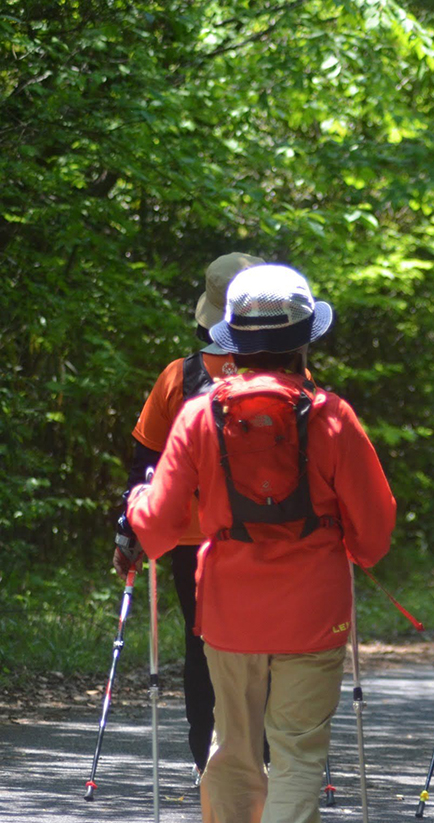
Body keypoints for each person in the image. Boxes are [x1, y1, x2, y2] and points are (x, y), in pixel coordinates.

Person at [127, 264, 396, 823]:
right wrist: (348, 546)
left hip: (228, 609)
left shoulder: (198, 414)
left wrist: (137, 504)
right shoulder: (332, 416)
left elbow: (158, 525)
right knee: (299, 746)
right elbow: (375, 534)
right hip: (314, 610)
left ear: (233, 341)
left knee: (234, 736)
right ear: (306, 339)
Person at [113, 251, 263, 779]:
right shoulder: (286, 376)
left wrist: (129, 532)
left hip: (191, 538)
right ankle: (259, 757)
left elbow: (144, 465)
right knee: (261, 642)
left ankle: (208, 759)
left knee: (201, 647)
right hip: (265, 536)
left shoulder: (179, 377)